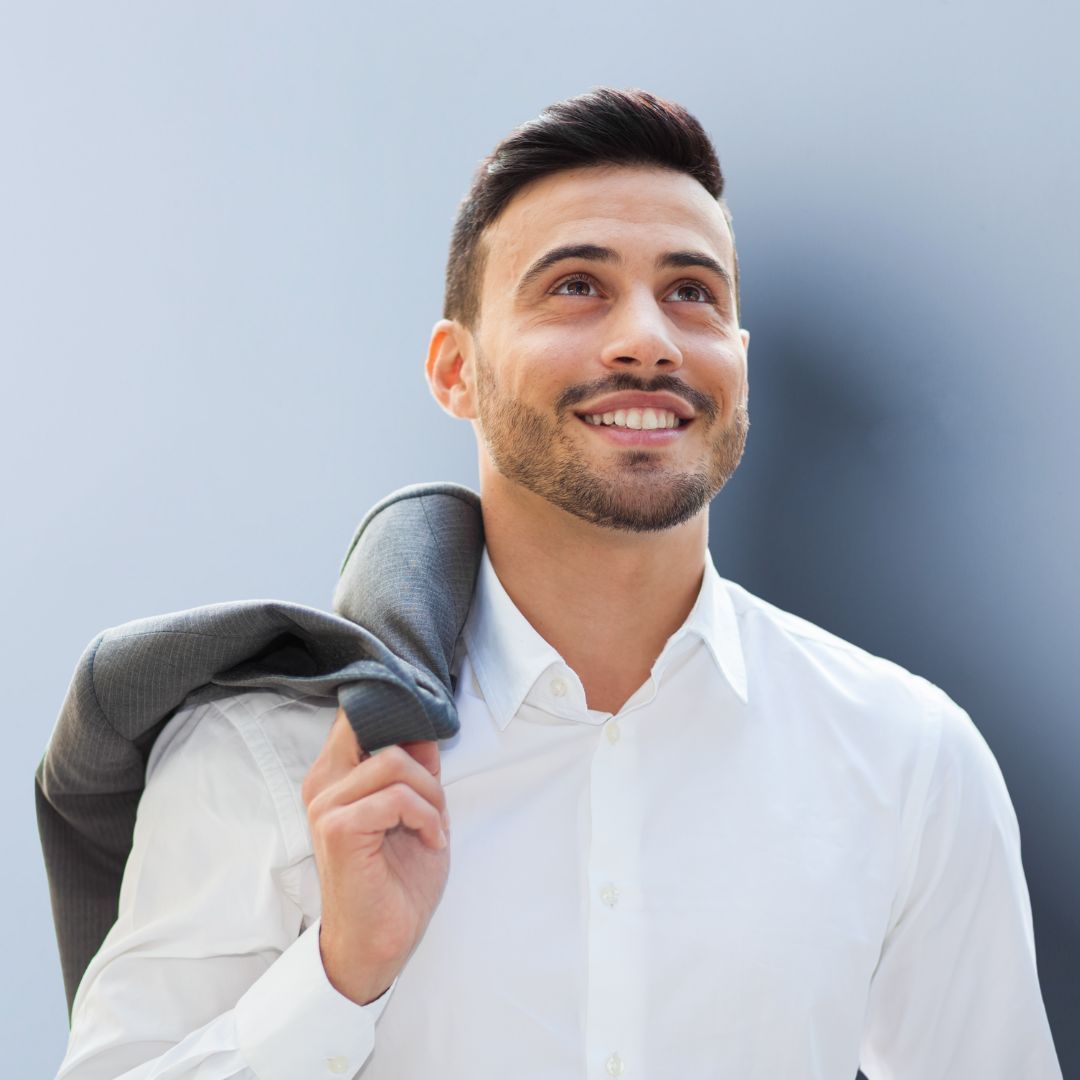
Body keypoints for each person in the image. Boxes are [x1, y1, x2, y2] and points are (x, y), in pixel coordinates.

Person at [56, 87, 1062, 1079]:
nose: (648, 339)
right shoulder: (263, 756)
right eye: (576, 286)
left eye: (692, 293)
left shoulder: (910, 761)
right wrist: (337, 978)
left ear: (738, 367)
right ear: (456, 371)